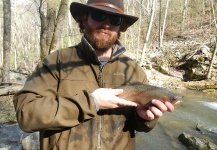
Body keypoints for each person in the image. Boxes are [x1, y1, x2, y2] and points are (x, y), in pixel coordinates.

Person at [13, 0, 174, 149]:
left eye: (115, 19)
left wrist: (145, 118)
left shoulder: (132, 69)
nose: (106, 24)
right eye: (99, 15)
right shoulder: (56, 63)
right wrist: (92, 102)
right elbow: (26, 115)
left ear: (121, 26)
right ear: (84, 18)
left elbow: (141, 127)